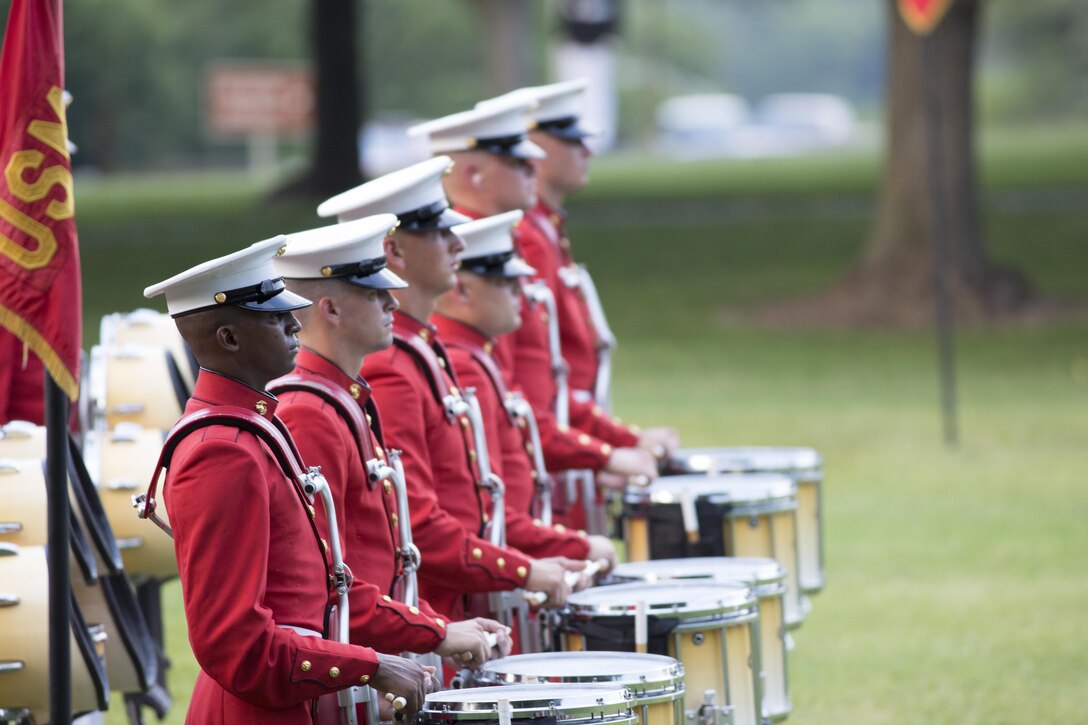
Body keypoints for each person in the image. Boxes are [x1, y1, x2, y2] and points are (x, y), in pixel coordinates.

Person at [143, 237, 433, 724]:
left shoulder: (254, 425)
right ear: (229, 339)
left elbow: (318, 589)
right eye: (276, 318)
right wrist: (369, 666)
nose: (296, 324)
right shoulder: (222, 451)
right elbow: (236, 645)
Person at [316, 156, 576, 629]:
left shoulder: (420, 351)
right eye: (439, 233)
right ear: (394, 249)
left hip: (448, 613)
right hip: (430, 616)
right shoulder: (391, 365)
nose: (459, 242)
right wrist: (525, 568)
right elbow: (419, 527)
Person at [271, 214, 512, 669]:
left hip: (374, 653)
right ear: (331, 309)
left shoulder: (344, 396)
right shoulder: (309, 411)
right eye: (373, 292)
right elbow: (327, 584)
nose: (391, 303)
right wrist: (434, 632)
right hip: (351, 665)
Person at [409, 96, 658, 531]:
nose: (534, 172)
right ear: (474, 173)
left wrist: (613, 443)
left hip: (538, 466)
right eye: (520, 164)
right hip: (521, 485)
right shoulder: (488, 252)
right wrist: (606, 450)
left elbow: (549, 381)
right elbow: (512, 395)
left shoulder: (522, 237)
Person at [431, 210, 616, 569]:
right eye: (504, 282)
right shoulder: (463, 363)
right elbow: (484, 509)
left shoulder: (477, 355)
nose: (521, 291)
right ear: (463, 288)